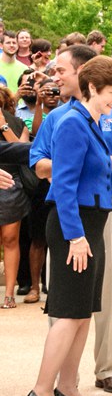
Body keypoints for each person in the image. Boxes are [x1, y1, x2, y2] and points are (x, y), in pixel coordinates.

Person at [27, 56, 112, 396]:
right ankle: (42, 391)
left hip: (91, 225)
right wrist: (75, 237)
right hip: (75, 226)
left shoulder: (89, 121)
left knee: (83, 314)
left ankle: (68, 388)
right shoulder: (73, 122)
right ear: (92, 88)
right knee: (69, 314)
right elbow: (64, 184)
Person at [0, 85, 29, 309]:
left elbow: (25, 151)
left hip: (11, 185)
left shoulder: (17, 122)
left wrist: (4, 126)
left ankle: (9, 293)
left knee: (10, 239)